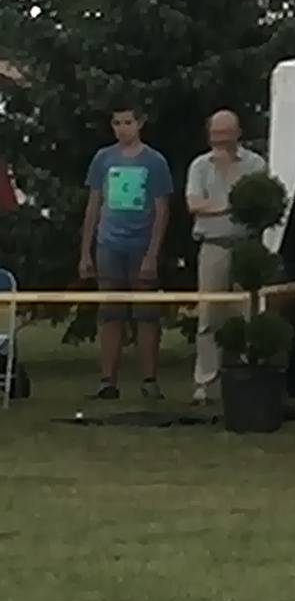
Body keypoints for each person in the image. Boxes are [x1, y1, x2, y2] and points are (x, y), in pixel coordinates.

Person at [79, 104, 174, 400]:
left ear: (140, 123)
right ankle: (108, 381)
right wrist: (86, 252)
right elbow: (94, 204)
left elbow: (162, 210)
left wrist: (152, 254)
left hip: (140, 246)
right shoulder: (103, 159)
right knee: (110, 314)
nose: (122, 128)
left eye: (128, 122)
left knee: (146, 315)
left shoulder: (155, 162)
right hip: (109, 245)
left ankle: (149, 380)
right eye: (117, 123)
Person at [185, 109, 267, 405]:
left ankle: (245, 375)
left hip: (246, 246)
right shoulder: (199, 165)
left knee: (246, 313)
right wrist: (228, 205)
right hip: (213, 246)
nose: (220, 140)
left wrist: (218, 203)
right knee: (209, 316)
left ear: (238, 133)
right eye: (215, 134)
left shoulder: (255, 164)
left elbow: (259, 202)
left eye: (225, 133)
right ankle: (206, 383)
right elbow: (194, 204)